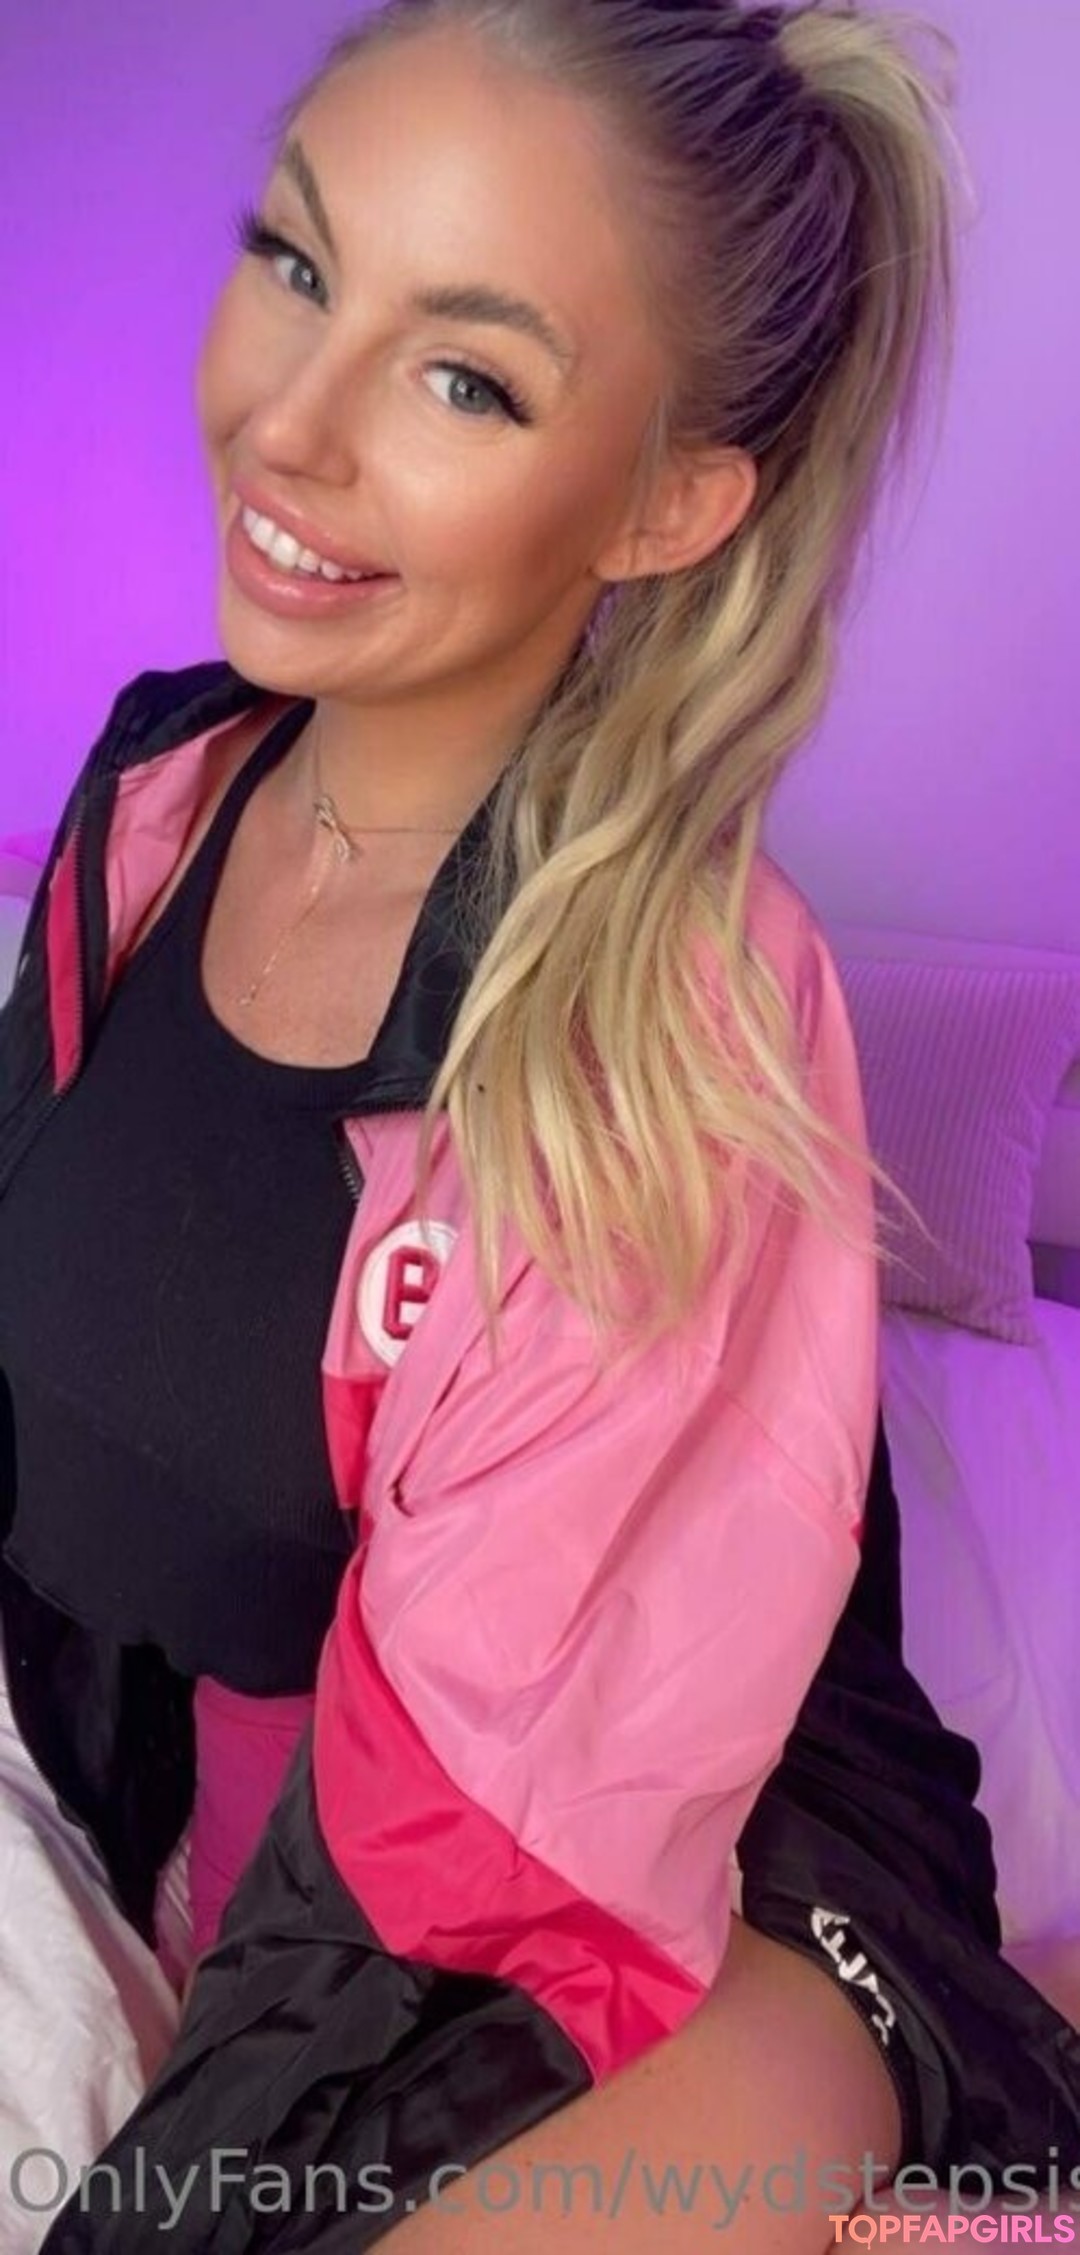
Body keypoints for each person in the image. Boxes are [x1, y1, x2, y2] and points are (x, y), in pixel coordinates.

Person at [0, 1, 1076, 2247]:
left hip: (661, 1889)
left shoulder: (673, 1032)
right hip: (260, 1819)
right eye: (297, 261)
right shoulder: (154, 797)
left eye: (465, 379)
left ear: (670, 503)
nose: (286, 425)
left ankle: (997, 2013)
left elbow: (487, 1852)